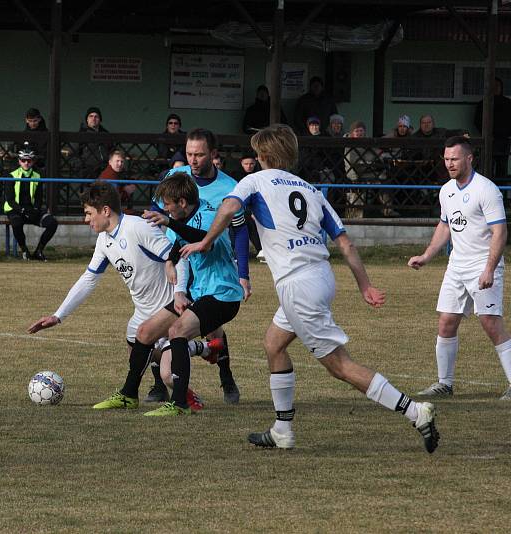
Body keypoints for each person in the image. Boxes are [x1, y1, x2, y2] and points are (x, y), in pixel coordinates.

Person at [181, 123, 440, 453]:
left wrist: (204, 241)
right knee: (274, 344)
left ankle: (416, 412)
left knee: (340, 366)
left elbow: (230, 208)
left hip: (297, 285)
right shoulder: (311, 189)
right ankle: (282, 431)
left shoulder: (255, 181)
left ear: (263, 155)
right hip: (321, 277)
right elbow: (344, 242)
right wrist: (365, 286)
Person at [27, 181, 219, 413]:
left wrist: (179, 293)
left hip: (168, 309)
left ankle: (178, 390)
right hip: (142, 313)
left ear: (105, 210)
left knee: (168, 374)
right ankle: (199, 350)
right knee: (138, 349)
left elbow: (179, 255)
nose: (86, 220)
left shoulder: (137, 227)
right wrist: (58, 316)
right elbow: (89, 279)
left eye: (89, 213)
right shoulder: (104, 240)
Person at [146, 128, 246, 404]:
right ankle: (159, 384)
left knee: (208, 325)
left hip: (208, 264)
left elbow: (238, 230)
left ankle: (225, 376)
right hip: (175, 261)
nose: (192, 159)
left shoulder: (230, 187)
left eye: (199, 154)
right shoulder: (175, 178)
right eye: (189, 153)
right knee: (154, 326)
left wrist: (244, 272)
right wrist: (167, 257)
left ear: (214, 155)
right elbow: (158, 215)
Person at [409, 136, 511, 400]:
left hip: (482, 264)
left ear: (469, 158)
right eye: (446, 159)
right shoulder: (446, 190)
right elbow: (445, 226)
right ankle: (445, 384)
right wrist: (427, 255)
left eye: (454, 159)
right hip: (456, 266)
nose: (449, 164)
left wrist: (489, 268)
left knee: (490, 323)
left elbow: (499, 232)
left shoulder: (486, 190)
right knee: (446, 322)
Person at [3, 144, 58, 261]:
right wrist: (22, 210)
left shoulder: (37, 176)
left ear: (33, 161)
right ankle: (24, 251)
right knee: (16, 224)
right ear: (19, 161)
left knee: (52, 223)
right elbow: (10, 199)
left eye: (29, 160)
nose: (26, 163)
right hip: (15, 210)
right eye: (23, 160)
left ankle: (39, 251)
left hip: (31, 210)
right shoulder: (11, 176)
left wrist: (36, 210)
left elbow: (39, 197)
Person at [474, 77, 511, 178]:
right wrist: (487, 135)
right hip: (488, 141)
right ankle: (488, 192)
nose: (495, 89)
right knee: (487, 169)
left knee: (502, 169)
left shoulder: (508, 103)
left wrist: (507, 135)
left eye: (497, 86)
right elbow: (477, 121)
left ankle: (501, 192)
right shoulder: (483, 104)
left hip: (504, 141)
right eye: (493, 86)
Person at [78, 106, 111, 177]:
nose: (93, 118)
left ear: (100, 119)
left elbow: (112, 151)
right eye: (91, 116)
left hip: (105, 171)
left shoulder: (106, 135)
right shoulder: (81, 135)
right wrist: (83, 167)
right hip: (88, 173)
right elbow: (74, 155)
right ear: (87, 119)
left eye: (96, 116)